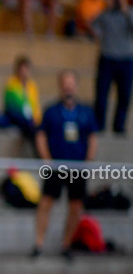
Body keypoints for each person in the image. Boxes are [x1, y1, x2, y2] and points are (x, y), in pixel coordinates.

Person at [33, 70, 97, 260]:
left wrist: (88, 161)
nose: (68, 87)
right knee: (46, 202)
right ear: (60, 86)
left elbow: (92, 137)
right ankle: (39, 244)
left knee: (75, 205)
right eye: (65, 83)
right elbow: (40, 135)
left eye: (71, 83)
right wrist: (46, 158)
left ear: (76, 85)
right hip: (56, 166)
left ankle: (66, 244)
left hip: (77, 167)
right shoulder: (51, 111)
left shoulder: (85, 112)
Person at [90, 0, 133, 136]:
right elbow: (93, 24)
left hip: (126, 58)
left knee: (124, 94)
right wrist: (99, 35)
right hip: (107, 56)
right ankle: (99, 124)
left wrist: (125, 11)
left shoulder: (130, 13)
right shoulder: (106, 13)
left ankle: (119, 126)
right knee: (101, 93)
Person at [3, 55, 42, 144]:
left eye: (26, 69)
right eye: (22, 70)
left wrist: (37, 119)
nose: (24, 72)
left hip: (29, 119)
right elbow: (13, 106)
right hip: (16, 117)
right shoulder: (11, 84)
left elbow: (35, 106)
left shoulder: (32, 86)